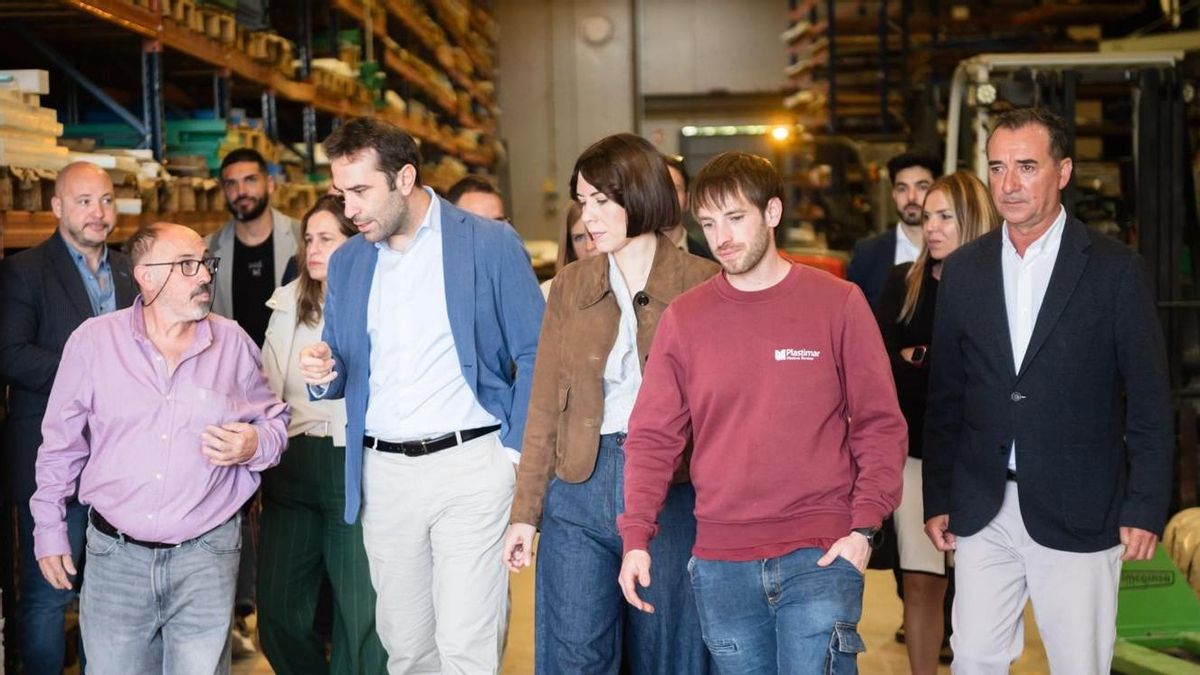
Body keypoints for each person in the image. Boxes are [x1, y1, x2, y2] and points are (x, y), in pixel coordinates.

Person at [616, 151, 907, 673]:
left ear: (772, 212)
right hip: (722, 561)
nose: (721, 237)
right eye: (708, 223)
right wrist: (636, 536)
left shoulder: (838, 303)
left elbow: (879, 423)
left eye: (735, 217)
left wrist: (863, 530)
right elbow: (653, 436)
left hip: (820, 551)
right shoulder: (686, 319)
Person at [923, 107, 1173, 673]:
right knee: (973, 659)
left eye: (1027, 166)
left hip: (1081, 506)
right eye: (997, 167)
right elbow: (947, 396)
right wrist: (939, 496)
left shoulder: (1115, 270)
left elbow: (1150, 401)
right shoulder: (963, 270)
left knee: (1079, 663)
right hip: (983, 506)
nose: (1008, 184)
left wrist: (1145, 506)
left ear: (1062, 172)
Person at [297, 117, 544, 674]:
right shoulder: (349, 262)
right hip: (385, 475)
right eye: (341, 193)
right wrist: (322, 372)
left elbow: (536, 353)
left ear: (405, 178)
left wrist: (512, 456)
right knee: (407, 649)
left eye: (361, 191)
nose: (349, 210)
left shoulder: (488, 243)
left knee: (465, 646)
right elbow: (339, 367)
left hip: (471, 467)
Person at [30, 223, 289, 674]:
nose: (204, 275)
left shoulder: (232, 343)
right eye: (187, 265)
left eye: (206, 262)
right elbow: (60, 446)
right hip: (116, 559)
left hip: (206, 557)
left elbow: (275, 423)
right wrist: (48, 529)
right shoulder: (93, 342)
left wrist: (254, 443)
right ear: (146, 277)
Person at [504, 133, 718, 673]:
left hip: (673, 489)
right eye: (583, 201)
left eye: (602, 200)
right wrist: (525, 514)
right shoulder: (569, 285)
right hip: (578, 486)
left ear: (642, 194)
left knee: (668, 652)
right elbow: (543, 405)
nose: (588, 217)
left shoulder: (705, 283)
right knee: (576, 657)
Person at [0, 161, 136, 674]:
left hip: (122, 460)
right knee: (48, 594)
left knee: (109, 595)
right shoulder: (25, 270)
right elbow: (10, 353)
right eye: (83, 201)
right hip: (52, 456)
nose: (98, 212)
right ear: (56, 206)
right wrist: (90, 377)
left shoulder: (129, 269)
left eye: (105, 200)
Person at [876, 171, 1000, 675]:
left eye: (945, 216)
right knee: (921, 582)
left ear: (973, 218)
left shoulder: (1001, 286)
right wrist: (931, 360)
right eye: (928, 217)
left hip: (981, 459)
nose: (931, 227)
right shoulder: (903, 283)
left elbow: (992, 374)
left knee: (982, 585)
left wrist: (921, 356)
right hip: (915, 456)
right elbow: (883, 365)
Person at [258, 195, 387, 674]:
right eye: (308, 239)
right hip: (289, 463)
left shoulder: (379, 299)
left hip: (349, 463)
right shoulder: (287, 302)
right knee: (278, 610)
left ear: (355, 244)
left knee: (361, 613)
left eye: (326, 238)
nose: (312, 249)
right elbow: (265, 385)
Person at [209, 147, 300, 346]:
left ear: (270, 184)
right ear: (223, 192)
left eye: (250, 180)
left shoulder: (303, 239)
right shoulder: (208, 250)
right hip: (234, 362)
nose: (241, 191)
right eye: (231, 183)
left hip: (292, 361)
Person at [847, 151, 941, 308]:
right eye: (902, 188)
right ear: (894, 194)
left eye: (922, 187)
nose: (911, 197)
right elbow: (850, 316)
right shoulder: (867, 254)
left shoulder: (953, 252)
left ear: (937, 192)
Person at [539, 201, 598, 297]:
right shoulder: (549, 293)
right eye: (579, 238)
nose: (589, 246)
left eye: (595, 234)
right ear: (571, 248)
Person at [662, 154, 715, 260]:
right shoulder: (629, 257)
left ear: (687, 200)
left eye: (675, 190)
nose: (666, 198)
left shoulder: (710, 260)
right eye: (658, 190)